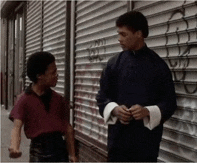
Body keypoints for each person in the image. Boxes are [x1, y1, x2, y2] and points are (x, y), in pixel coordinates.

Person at [96, 11, 177, 162]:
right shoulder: (114, 64)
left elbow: (170, 103)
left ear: (139, 34)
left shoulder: (158, 66)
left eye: (124, 34)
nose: (119, 39)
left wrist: (147, 111)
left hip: (146, 145)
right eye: (118, 34)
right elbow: (102, 96)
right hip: (117, 143)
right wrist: (115, 109)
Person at [8, 51, 77, 162]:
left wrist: (72, 155)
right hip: (39, 154)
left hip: (60, 151)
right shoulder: (24, 100)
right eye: (53, 72)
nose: (57, 75)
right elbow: (17, 127)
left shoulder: (58, 99)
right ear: (40, 76)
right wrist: (14, 146)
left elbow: (68, 129)